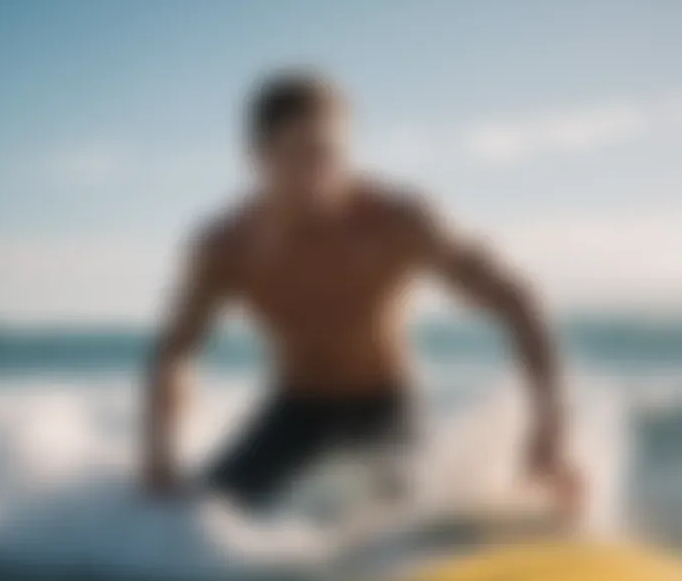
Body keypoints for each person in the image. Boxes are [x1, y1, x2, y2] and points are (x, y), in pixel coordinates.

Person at [143, 70, 580, 519]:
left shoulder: (398, 222)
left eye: (332, 154)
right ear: (257, 158)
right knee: (194, 519)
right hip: (296, 407)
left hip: (385, 402)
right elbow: (177, 350)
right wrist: (157, 454)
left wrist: (549, 432)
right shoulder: (226, 246)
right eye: (302, 155)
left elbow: (520, 301)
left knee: (410, 530)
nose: (321, 173)